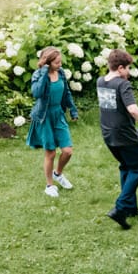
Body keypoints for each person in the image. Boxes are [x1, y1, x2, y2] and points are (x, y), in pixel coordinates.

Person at [98, 49, 138, 229]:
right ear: (121, 68)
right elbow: (132, 109)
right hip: (124, 134)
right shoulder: (122, 85)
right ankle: (120, 208)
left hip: (108, 134)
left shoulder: (101, 81)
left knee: (126, 167)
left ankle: (131, 207)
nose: (129, 72)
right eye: (128, 68)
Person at [26, 46, 79, 197]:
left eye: (60, 61)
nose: (60, 65)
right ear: (47, 63)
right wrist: (44, 73)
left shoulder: (60, 73)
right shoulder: (39, 74)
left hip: (58, 114)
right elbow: (37, 93)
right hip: (44, 117)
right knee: (50, 153)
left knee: (67, 151)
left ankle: (58, 174)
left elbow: (66, 92)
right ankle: (49, 185)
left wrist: (73, 109)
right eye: (56, 63)